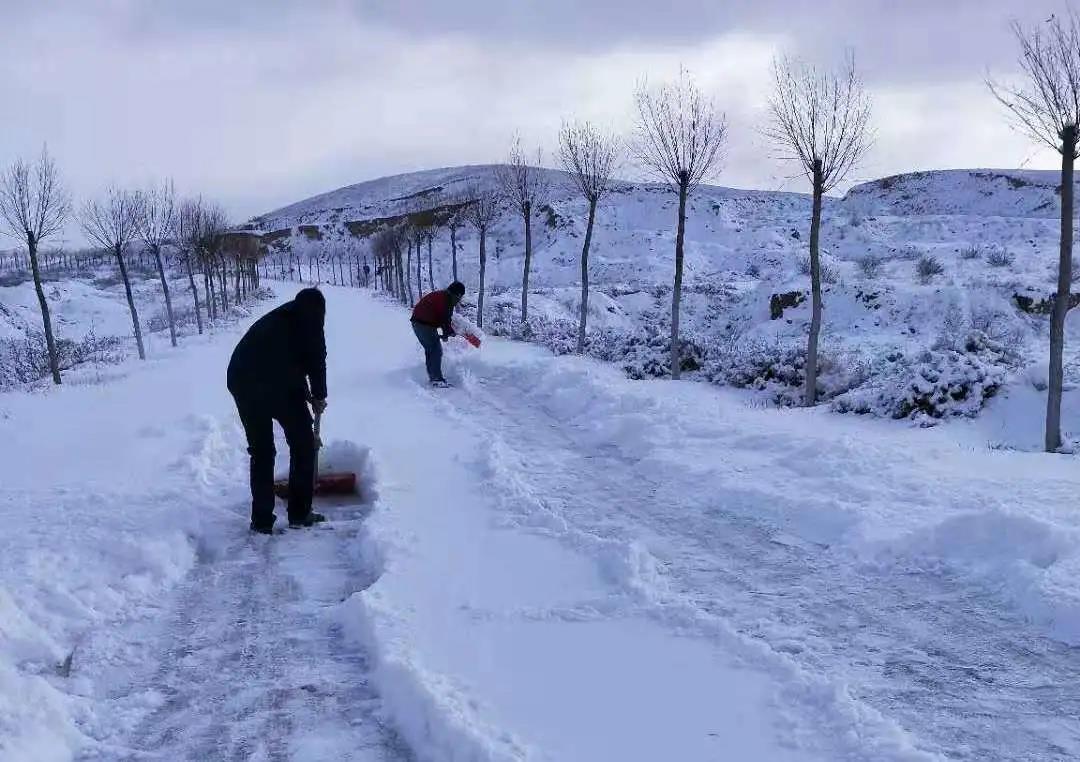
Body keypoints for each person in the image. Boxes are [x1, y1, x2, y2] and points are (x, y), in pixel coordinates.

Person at [227, 287, 328, 534]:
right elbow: (316, 363)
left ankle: (261, 520)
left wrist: (309, 396)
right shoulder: (312, 323)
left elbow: (291, 363)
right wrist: (318, 396)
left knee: (261, 452)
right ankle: (299, 513)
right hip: (265, 382)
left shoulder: (281, 316)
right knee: (303, 443)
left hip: (241, 379)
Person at [411, 281, 465, 387]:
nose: (460, 299)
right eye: (461, 296)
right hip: (423, 324)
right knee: (435, 350)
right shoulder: (446, 300)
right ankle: (436, 379)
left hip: (421, 323)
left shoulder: (444, 296)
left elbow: (443, 318)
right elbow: (444, 318)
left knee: (431, 349)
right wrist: (449, 332)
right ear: (457, 294)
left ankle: (434, 376)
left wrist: (447, 332)